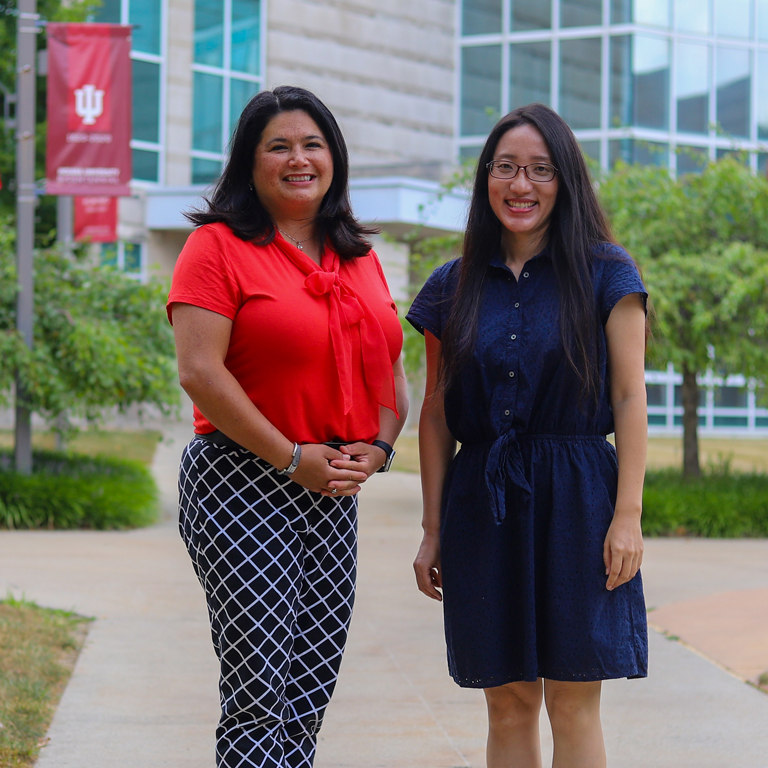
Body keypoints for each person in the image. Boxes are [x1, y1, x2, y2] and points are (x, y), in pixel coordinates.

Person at [167, 85, 407, 768]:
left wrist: (380, 447)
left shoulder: (356, 253)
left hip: (331, 489)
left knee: (307, 693)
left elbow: (389, 368)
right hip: (241, 480)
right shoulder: (216, 247)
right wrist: (290, 455)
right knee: (256, 695)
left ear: (334, 157)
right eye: (279, 146)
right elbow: (200, 372)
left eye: (312, 144)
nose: (299, 159)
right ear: (250, 162)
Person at [406, 103, 648, 768]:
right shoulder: (451, 288)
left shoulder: (608, 273)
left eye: (541, 170)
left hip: (581, 503)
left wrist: (627, 515)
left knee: (573, 699)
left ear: (565, 181)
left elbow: (629, 395)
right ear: (486, 178)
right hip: (485, 508)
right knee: (507, 700)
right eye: (506, 167)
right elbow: (435, 413)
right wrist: (432, 528)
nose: (522, 185)